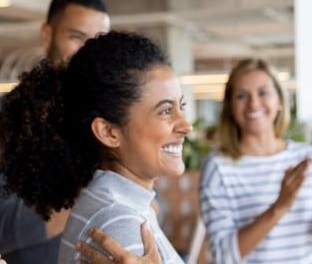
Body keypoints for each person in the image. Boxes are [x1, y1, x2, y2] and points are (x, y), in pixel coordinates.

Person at [0, 31, 191, 264]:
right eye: (165, 111)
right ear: (108, 132)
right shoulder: (119, 223)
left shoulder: (125, 205)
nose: (186, 126)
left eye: (181, 106)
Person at [200, 59, 312, 263]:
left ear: (279, 100)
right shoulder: (219, 167)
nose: (253, 103)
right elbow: (223, 255)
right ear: (230, 107)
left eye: (263, 93)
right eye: (241, 96)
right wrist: (279, 207)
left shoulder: (307, 157)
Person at [0, 0, 110, 264]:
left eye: (98, 41)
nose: (88, 51)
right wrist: (98, 195)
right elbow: (5, 226)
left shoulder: (108, 117)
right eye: (77, 37)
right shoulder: (7, 115)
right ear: (47, 35)